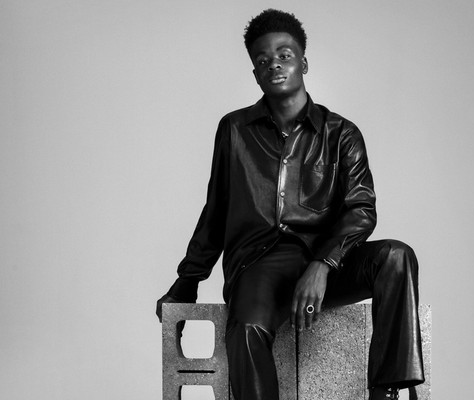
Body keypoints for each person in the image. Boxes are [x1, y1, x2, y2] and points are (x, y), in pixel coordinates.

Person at [156, 9, 424, 400]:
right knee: (246, 329)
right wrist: (186, 284)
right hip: (259, 264)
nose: (274, 65)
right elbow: (217, 210)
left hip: (326, 261)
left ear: (304, 63)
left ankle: (387, 392)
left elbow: (361, 209)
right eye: (263, 60)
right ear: (255, 74)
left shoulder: (341, 134)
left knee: (397, 258)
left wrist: (323, 263)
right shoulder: (234, 130)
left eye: (284, 55)